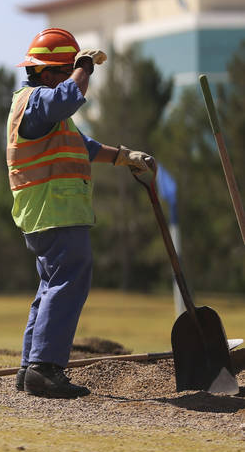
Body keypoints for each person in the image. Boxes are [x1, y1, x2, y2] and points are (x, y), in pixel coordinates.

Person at [8, 28, 153, 398]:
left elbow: (81, 145)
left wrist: (123, 156)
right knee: (69, 280)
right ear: (46, 73)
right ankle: (45, 369)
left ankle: (31, 368)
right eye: (66, 69)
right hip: (54, 210)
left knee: (50, 286)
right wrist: (85, 65)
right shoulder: (39, 101)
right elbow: (67, 98)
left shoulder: (44, 112)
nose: (73, 75)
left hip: (46, 212)